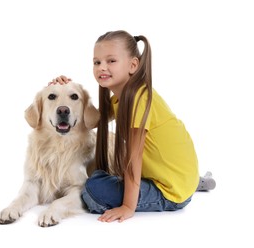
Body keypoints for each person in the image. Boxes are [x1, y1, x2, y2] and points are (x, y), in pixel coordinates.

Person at [51, 30, 216, 223]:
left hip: (169, 191)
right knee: (99, 175)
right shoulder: (123, 98)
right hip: (178, 174)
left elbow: (133, 159)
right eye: (97, 62)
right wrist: (67, 90)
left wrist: (128, 207)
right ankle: (192, 182)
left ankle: (184, 188)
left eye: (111, 61)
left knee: (92, 189)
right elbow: (93, 121)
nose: (102, 67)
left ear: (133, 65)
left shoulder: (138, 100)